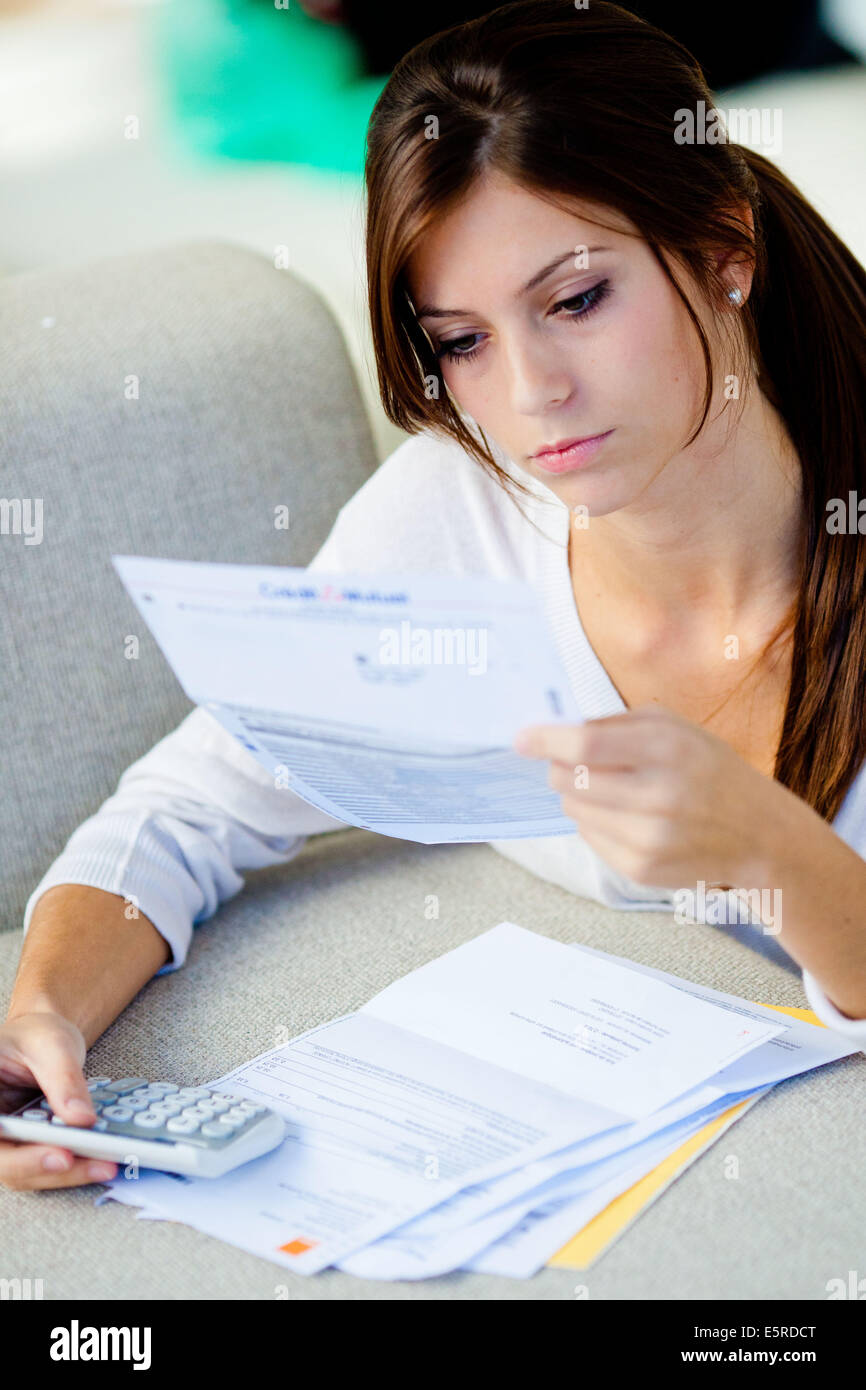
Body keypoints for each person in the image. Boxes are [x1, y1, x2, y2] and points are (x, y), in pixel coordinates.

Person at [4, 0, 866, 1193]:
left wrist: (779, 859)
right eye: (460, 341)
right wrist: (39, 1016)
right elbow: (193, 803)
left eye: (574, 301)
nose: (528, 397)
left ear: (725, 247)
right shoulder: (458, 520)